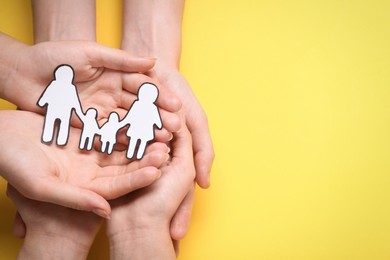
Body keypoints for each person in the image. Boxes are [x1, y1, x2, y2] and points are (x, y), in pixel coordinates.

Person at [37, 65, 84, 145]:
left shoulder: (55, 84)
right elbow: (75, 102)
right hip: (64, 111)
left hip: (54, 109)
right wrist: (80, 114)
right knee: (63, 125)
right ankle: (61, 141)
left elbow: (47, 94)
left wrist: (42, 102)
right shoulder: (70, 87)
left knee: (50, 122)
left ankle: (48, 138)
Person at [120, 82, 163, 159]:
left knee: (138, 141)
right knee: (137, 141)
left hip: (140, 128)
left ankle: (135, 154)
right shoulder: (145, 105)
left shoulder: (149, 106)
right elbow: (130, 115)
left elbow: (156, 117)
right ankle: (133, 154)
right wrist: (159, 124)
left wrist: (159, 124)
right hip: (143, 129)